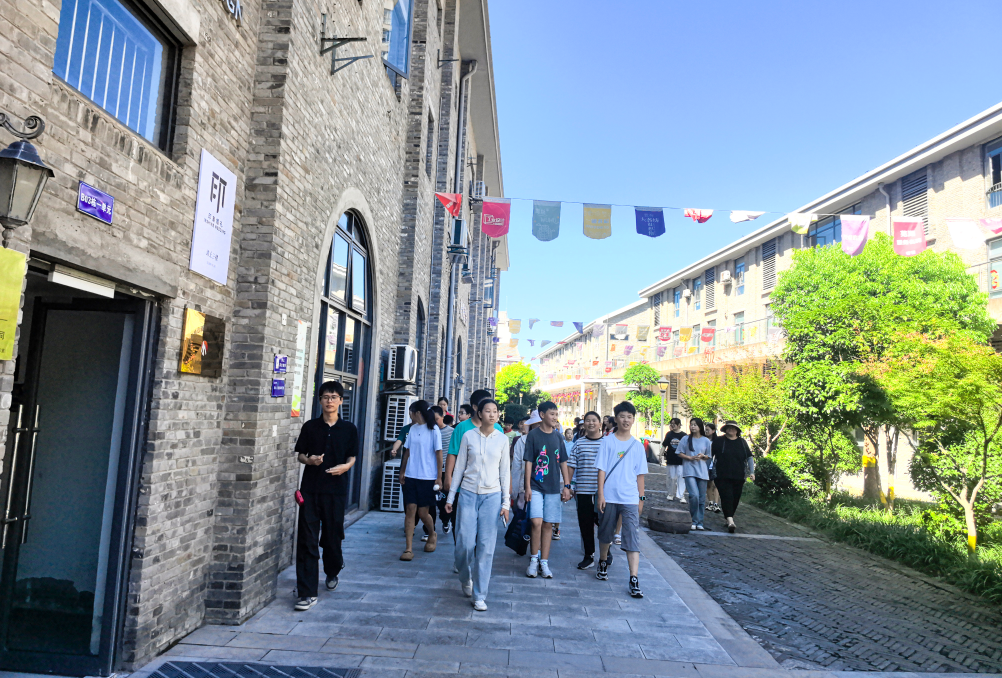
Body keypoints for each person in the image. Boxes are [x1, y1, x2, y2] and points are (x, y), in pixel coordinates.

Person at [293, 380, 358, 611]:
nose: (329, 401)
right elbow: (300, 454)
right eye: (325, 397)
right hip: (310, 490)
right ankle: (307, 592)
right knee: (307, 540)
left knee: (332, 537)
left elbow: (352, 456)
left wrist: (345, 467)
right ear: (320, 400)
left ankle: (333, 569)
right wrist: (309, 460)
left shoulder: (349, 429)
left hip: (335, 491)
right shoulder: (310, 427)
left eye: (333, 397)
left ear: (340, 401)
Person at [446, 398, 510, 611]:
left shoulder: (502, 440)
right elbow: (459, 468)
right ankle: (465, 577)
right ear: (479, 413)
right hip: (468, 493)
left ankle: (480, 595)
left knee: (486, 547)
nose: (492, 414)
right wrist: (450, 497)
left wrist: (506, 503)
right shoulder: (468, 436)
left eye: (495, 411)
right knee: (464, 543)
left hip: (492, 496)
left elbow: (505, 472)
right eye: (488, 411)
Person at [444, 390, 505, 570]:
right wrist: (448, 477)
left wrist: (505, 490)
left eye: (494, 410)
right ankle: (462, 558)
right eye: (486, 408)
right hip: (465, 488)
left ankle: (477, 563)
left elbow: (502, 464)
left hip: (489, 491)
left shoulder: (498, 430)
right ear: (476, 408)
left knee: (484, 534)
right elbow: (453, 454)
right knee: (463, 531)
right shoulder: (463, 429)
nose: (491, 413)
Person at [595, 401, 647, 598]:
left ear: (633, 420)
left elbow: (640, 475)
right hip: (609, 496)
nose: (626, 420)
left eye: (630, 417)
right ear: (616, 418)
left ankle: (634, 578)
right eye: (623, 416)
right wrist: (601, 494)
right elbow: (601, 470)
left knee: (632, 536)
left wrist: (641, 499)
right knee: (605, 533)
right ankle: (602, 561)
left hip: (630, 498)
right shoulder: (607, 442)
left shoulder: (637, 446)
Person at [523, 401, 572, 578]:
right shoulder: (533, 435)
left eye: (556, 414)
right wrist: (527, 487)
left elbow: (563, 462)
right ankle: (533, 559)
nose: (555, 417)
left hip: (553, 488)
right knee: (536, 522)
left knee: (548, 524)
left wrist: (567, 486)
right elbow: (529, 462)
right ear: (542, 415)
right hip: (536, 486)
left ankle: (544, 562)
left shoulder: (558, 437)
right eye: (552, 414)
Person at [399, 400, 443, 561]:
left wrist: (439, 477)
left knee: (423, 512)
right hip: (411, 475)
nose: (410, 415)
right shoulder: (412, 429)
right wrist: (402, 471)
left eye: (411, 412)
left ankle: (432, 533)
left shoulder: (433, 430)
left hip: (427, 477)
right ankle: (408, 548)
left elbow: (439, 454)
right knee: (410, 509)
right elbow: (407, 451)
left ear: (417, 413)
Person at [567, 411, 603, 569]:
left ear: (600, 424)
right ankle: (589, 555)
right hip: (583, 490)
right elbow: (571, 465)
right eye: (588, 420)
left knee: (603, 523)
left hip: (602, 492)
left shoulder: (607, 443)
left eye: (594, 420)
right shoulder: (579, 443)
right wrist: (568, 485)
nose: (591, 423)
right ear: (584, 424)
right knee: (585, 524)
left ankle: (606, 552)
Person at [712, 420, 756, 533]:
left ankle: (729, 517)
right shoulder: (719, 441)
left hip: (739, 476)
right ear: (725, 429)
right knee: (726, 496)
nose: (731, 429)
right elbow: (710, 455)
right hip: (721, 475)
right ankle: (731, 521)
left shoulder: (742, 442)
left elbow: (749, 457)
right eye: (729, 427)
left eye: (733, 428)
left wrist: (752, 472)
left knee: (735, 498)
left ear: (737, 430)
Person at [678, 418, 711, 531]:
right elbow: (679, 452)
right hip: (689, 470)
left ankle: (699, 522)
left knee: (701, 498)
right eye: (691, 424)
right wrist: (689, 457)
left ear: (700, 427)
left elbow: (708, 456)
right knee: (694, 495)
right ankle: (693, 519)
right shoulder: (685, 439)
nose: (693, 427)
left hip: (702, 471)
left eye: (695, 425)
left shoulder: (706, 440)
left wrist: (703, 456)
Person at [431, 405, 455, 534]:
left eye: (437, 419)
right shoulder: (429, 431)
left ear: (443, 417)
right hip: (431, 471)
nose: (434, 422)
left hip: (446, 471)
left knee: (443, 499)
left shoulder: (451, 432)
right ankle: (429, 529)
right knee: (432, 501)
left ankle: (446, 519)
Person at [662, 418, 686, 504]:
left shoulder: (684, 435)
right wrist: (660, 455)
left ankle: (681, 495)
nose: (672, 425)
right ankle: (670, 493)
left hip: (681, 459)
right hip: (671, 458)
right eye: (671, 423)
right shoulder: (669, 434)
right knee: (671, 477)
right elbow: (664, 445)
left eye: (674, 424)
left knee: (681, 477)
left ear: (679, 425)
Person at [703, 422, 721, 514]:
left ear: (713, 431)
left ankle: (716, 504)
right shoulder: (703, 440)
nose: (706, 431)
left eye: (708, 430)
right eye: (705, 429)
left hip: (716, 465)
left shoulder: (717, 441)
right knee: (708, 484)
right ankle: (710, 502)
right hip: (705, 465)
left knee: (716, 485)